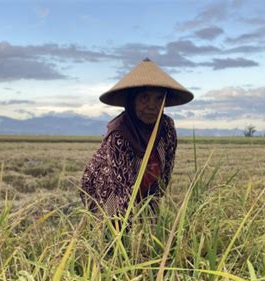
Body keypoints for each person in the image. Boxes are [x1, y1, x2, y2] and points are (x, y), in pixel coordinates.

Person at [80, 58, 193, 217]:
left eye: (159, 98)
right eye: (144, 98)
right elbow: (122, 187)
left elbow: (166, 170)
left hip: (145, 184)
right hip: (107, 185)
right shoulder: (120, 132)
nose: (152, 106)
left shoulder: (166, 126)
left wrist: (152, 207)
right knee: (114, 223)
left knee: (149, 217)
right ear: (131, 100)